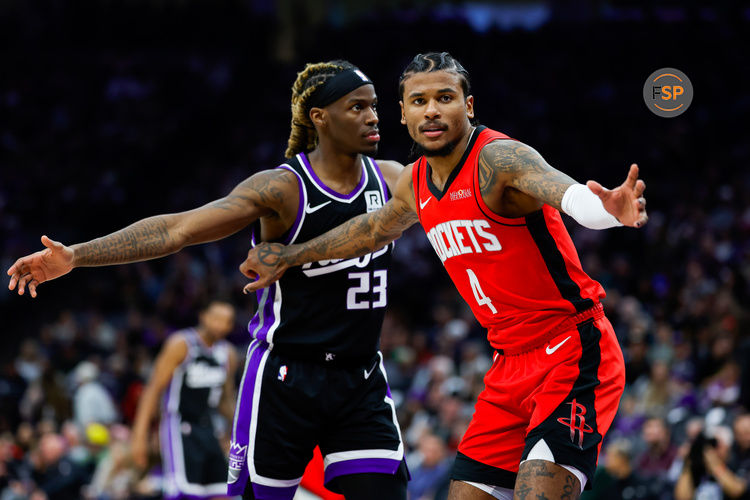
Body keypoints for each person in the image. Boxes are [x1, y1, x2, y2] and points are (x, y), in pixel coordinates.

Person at [240, 52, 649, 500]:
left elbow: (562, 190)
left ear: (468, 106)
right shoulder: (415, 182)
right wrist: (291, 255)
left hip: (572, 348)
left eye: (445, 97)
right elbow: (371, 230)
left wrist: (605, 211)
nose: (431, 109)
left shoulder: (499, 159)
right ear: (403, 113)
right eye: (418, 101)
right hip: (507, 363)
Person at [7, 59, 408, 500]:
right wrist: (78, 256)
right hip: (286, 378)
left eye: (374, 106)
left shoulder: (391, 179)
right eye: (357, 107)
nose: (373, 116)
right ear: (320, 117)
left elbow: (460, 187)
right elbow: (176, 230)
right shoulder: (284, 187)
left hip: (361, 375)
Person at [131, 300, 238, 500]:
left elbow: (225, 401)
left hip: (209, 428)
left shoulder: (227, 354)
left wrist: (236, 433)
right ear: (203, 316)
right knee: (184, 493)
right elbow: (152, 390)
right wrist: (139, 437)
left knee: (223, 493)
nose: (220, 325)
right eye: (216, 319)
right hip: (179, 427)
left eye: (227, 321)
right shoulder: (181, 344)